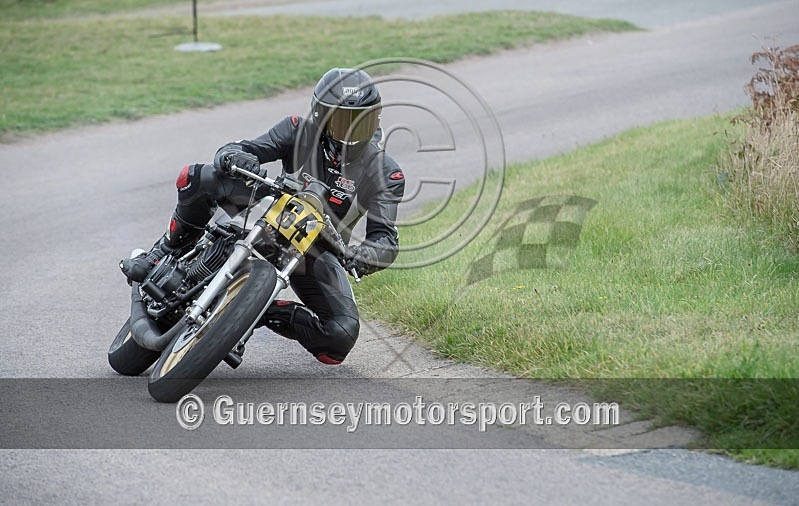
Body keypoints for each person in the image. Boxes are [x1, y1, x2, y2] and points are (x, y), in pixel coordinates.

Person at [120, 68, 405, 365]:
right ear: (320, 116)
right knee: (198, 176)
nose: (350, 131)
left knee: (340, 337)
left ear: (376, 119)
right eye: (342, 122)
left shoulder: (385, 172)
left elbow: (386, 239)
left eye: (361, 121)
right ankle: (162, 252)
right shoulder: (297, 130)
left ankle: (255, 313)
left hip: (316, 250)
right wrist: (237, 158)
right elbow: (238, 149)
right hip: (265, 212)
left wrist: (363, 255)